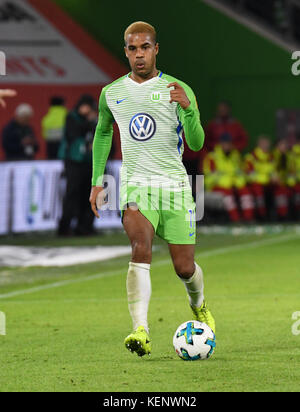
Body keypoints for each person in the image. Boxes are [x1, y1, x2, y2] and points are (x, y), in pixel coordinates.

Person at [89, 21, 215, 357]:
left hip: (174, 186)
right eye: (133, 48)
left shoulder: (178, 88)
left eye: (145, 47)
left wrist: (188, 109)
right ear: (126, 51)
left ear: (156, 49)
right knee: (139, 245)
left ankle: (199, 304)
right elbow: (103, 134)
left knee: (184, 268)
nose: (139, 54)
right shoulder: (111, 93)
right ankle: (140, 330)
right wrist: (96, 181)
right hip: (135, 185)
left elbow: (198, 144)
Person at [58, 95, 97, 236]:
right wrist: (90, 121)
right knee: (72, 194)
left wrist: (93, 122)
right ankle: (64, 228)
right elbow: (75, 133)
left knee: (88, 194)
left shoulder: (92, 121)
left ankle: (84, 227)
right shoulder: (71, 117)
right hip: (73, 161)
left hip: (88, 161)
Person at [203, 133, 254, 223]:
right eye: (225, 143)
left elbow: (240, 171)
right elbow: (209, 176)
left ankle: (248, 218)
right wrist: (226, 181)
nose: (227, 146)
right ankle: (236, 220)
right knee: (228, 197)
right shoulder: (212, 157)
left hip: (233, 183)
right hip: (217, 185)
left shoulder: (235, 155)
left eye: (229, 143)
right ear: (220, 144)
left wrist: (238, 181)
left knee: (246, 193)